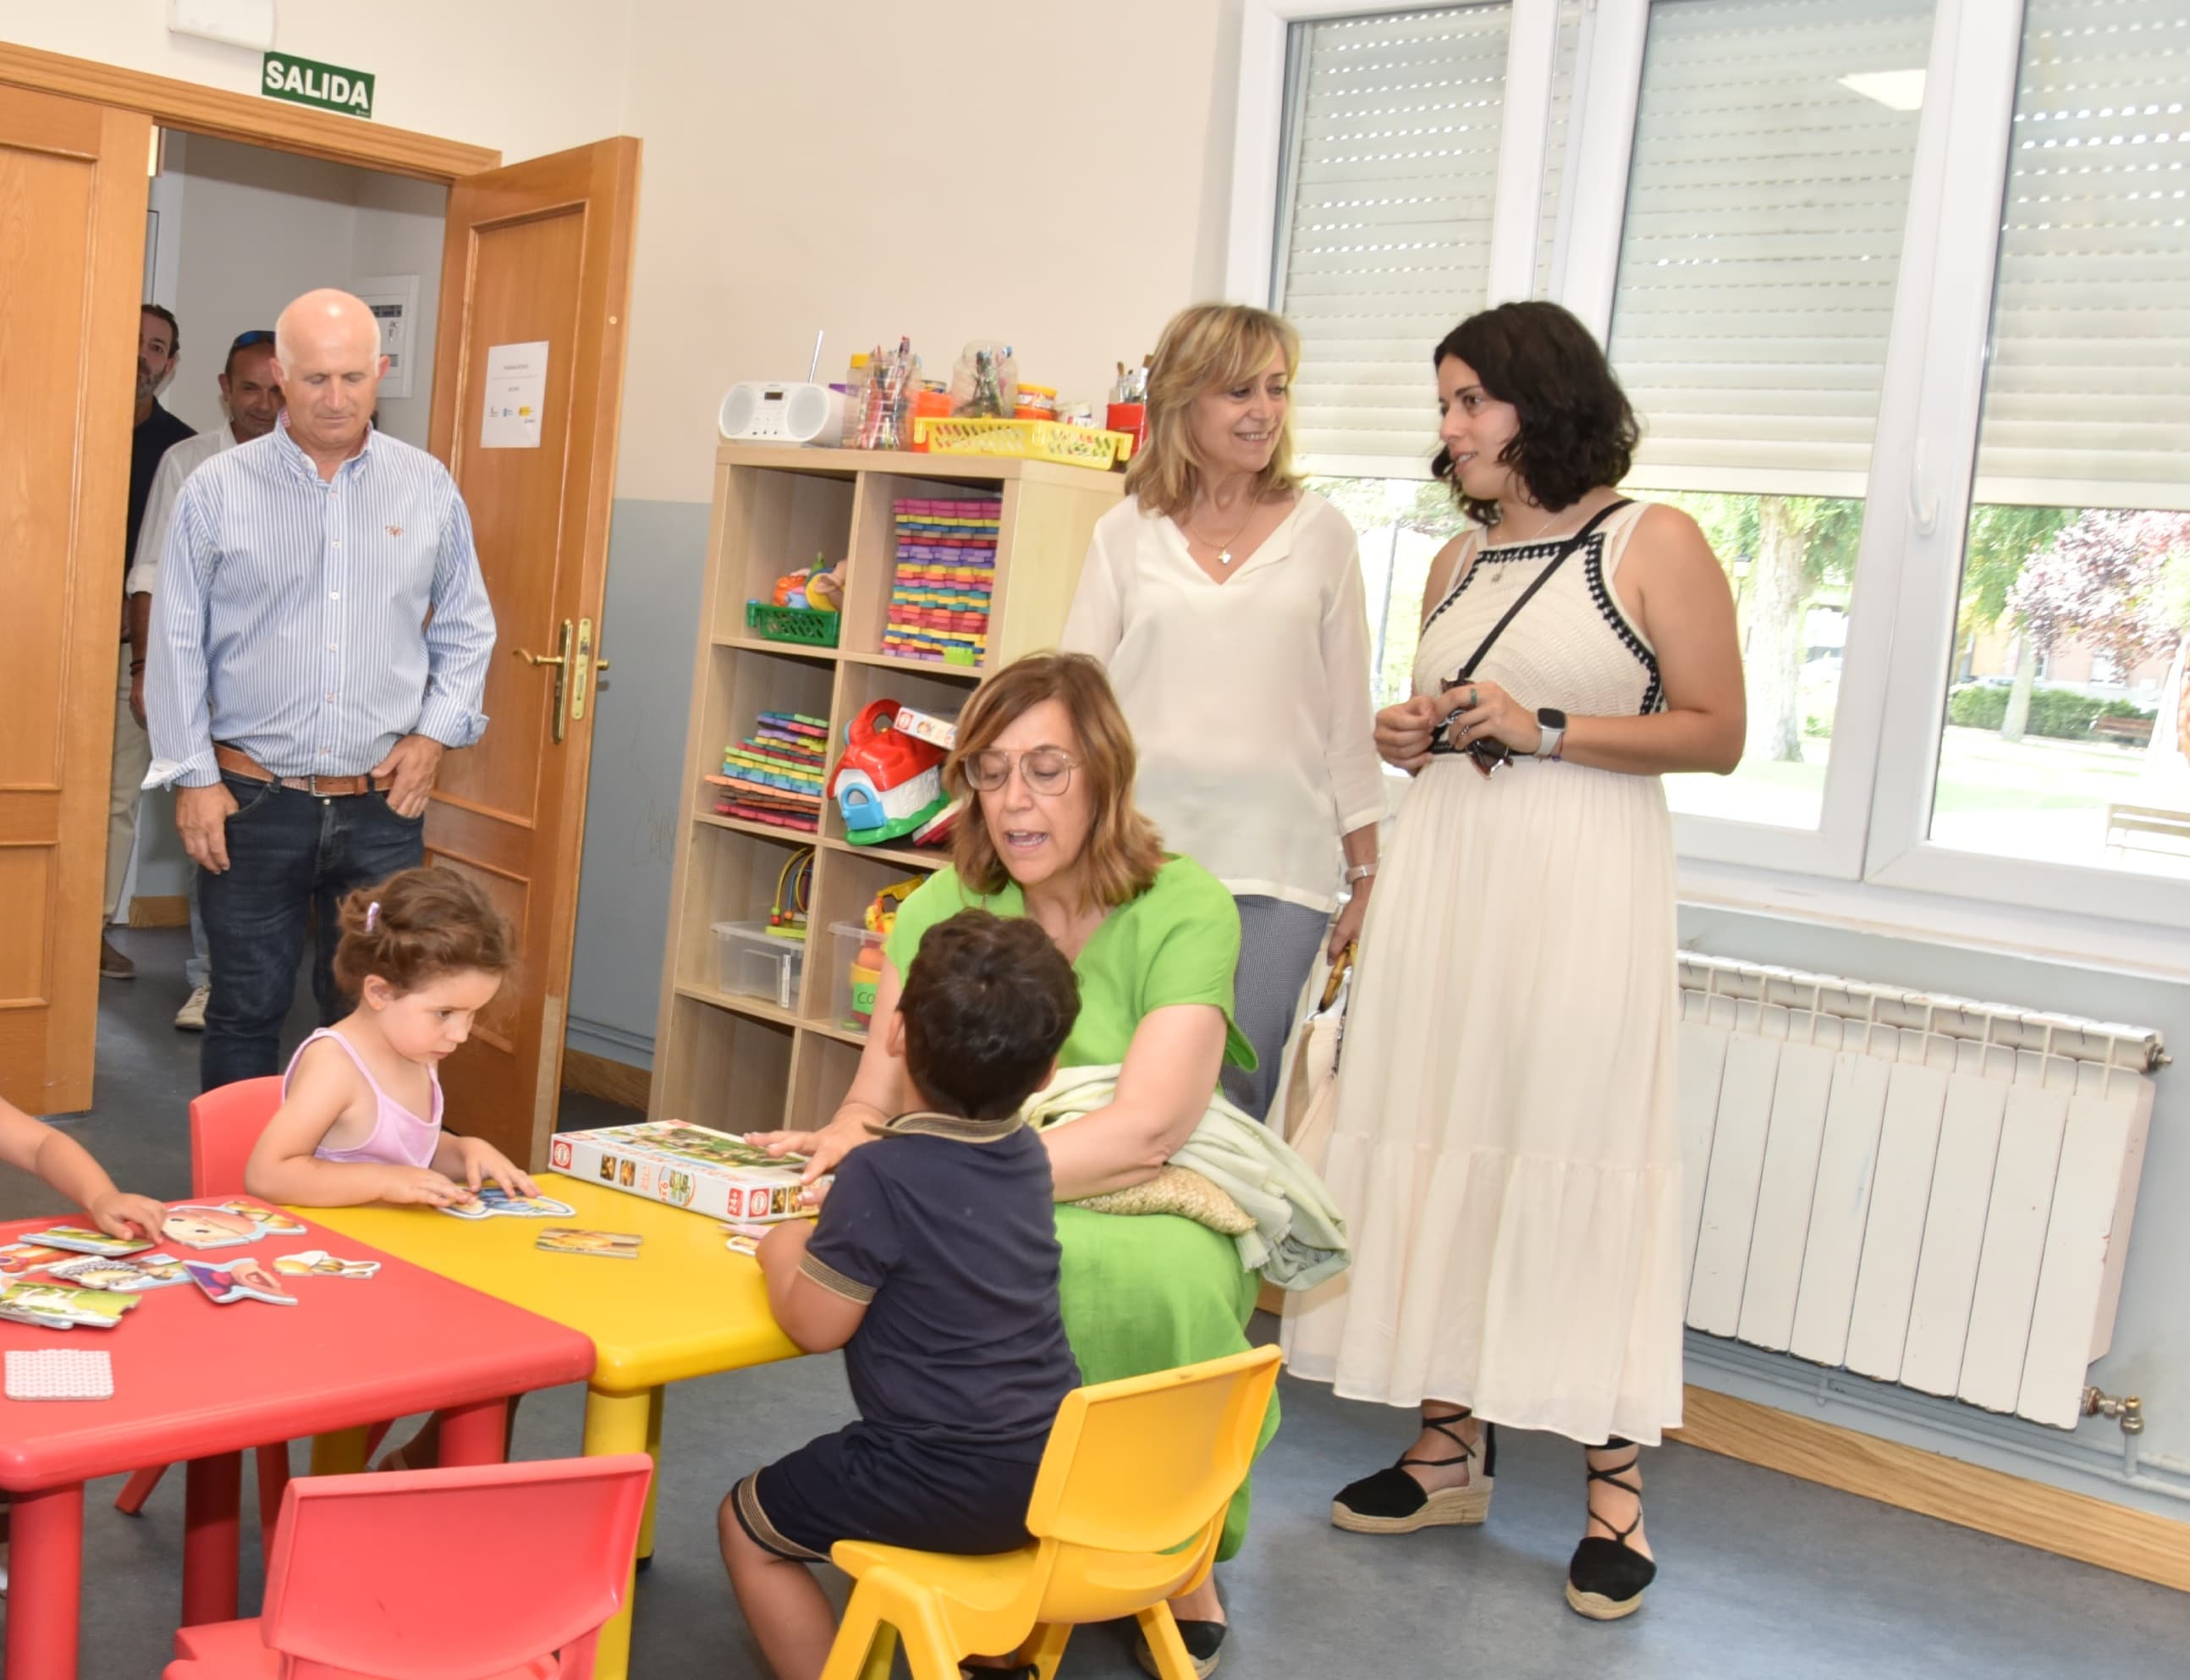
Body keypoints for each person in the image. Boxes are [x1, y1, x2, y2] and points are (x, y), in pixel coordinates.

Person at [1285, 301, 1745, 1621]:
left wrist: (1546, 728)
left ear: (1540, 402)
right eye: (1443, 405)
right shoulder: (1451, 563)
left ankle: (1615, 1496)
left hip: (1580, 888)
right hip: (1452, 885)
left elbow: (1715, 732)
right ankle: (1449, 1449)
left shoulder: (1652, 540)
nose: (1452, 429)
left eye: (1470, 401)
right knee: (1447, 1128)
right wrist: (1408, 730)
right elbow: (1442, 711)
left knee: (1572, 1140)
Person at [751, 653, 1267, 1679]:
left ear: (1105, 773)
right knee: (971, 1265)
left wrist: (947, 1186)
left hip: (1125, 1179)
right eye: (990, 771)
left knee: (1144, 1276)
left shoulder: (1187, 904)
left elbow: (1147, 1129)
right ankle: (1002, 1531)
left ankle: (1172, 1548)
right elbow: (877, 1090)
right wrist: (845, 1141)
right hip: (987, 1169)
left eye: (1047, 768)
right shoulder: (944, 893)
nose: (1015, 799)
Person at [142, 289, 497, 1092]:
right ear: (278, 375)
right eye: (312, 380)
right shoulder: (216, 488)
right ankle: (234, 1206)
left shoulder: (426, 485)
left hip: (381, 812)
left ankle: (349, 1191)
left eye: (351, 378)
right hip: (249, 806)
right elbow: (174, 642)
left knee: (375, 1014)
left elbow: (468, 627)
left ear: (380, 372)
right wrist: (193, 777)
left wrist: (434, 735)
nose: (334, 399)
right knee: (244, 1009)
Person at [721, 909, 1084, 1680]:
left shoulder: (878, 1173)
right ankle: (991, 1658)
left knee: (747, 1523)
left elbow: (817, 1324)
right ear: (1050, 1069)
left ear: (895, 1034)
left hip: (934, 1471)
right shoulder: (1028, 1156)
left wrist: (781, 1246)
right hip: (1053, 1466)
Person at [1063, 303, 1381, 1121]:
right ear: (1182, 400)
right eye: (1239, 390)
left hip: (1277, 874)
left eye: (1277, 389)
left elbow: (1349, 717)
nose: (1265, 411)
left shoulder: (1324, 536)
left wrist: (1368, 874)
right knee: (1111, 1089)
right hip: (1136, 862)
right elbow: (1075, 706)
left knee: (1229, 1110)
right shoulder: (1123, 534)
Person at [127, 328, 287, 1032]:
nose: (263, 403)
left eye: (277, 388)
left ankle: (258, 988)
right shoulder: (188, 462)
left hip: (288, 694)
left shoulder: (314, 468)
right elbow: (151, 574)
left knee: (278, 843)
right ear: (224, 388)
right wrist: (145, 670)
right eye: (249, 387)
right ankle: (208, 981)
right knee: (213, 832)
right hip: (208, 683)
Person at [243, 866, 534, 1208]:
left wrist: (463, 1150)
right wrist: (383, 1182)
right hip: (329, 1250)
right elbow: (266, 1176)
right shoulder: (335, 1066)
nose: (460, 1034)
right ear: (380, 992)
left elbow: (404, 1154)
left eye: (472, 1014)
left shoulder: (418, 1049)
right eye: (445, 1013)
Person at [102, 304, 197, 980]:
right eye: (132, 341)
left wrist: (143, 658)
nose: (143, 356)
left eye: (155, 347)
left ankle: (92, 927)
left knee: (116, 797)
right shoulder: (66, 419)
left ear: (171, 365)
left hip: (131, 647)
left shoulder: (180, 450)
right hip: (45, 642)